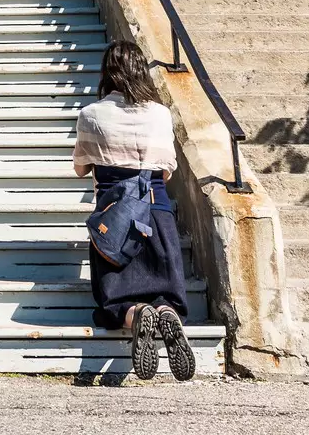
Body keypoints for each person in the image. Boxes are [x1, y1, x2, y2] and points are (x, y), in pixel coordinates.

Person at [73, 39, 194, 382]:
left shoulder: (90, 115)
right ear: (140, 71)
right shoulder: (160, 113)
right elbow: (167, 170)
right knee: (166, 291)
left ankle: (136, 314)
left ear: (107, 73)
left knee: (114, 301)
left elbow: (81, 168)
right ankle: (165, 313)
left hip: (115, 217)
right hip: (157, 211)